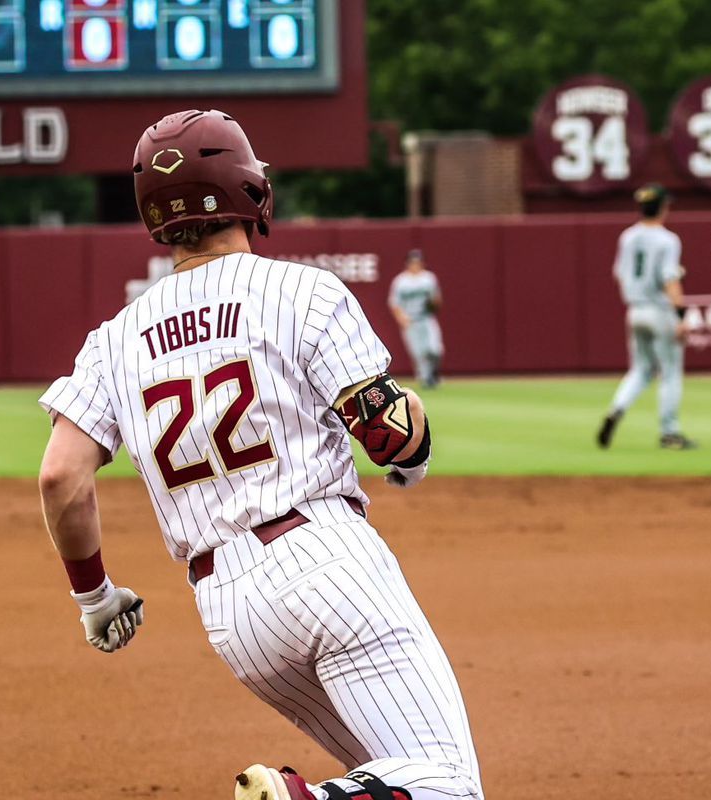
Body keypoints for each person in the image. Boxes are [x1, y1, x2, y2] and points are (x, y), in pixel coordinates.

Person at [37, 110, 482, 800]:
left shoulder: (114, 340)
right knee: (450, 785)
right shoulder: (301, 292)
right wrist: (415, 446)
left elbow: (61, 476)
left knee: (400, 780)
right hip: (326, 564)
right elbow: (388, 435)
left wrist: (95, 597)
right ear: (249, 188)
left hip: (231, 611)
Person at [597, 183, 697, 450]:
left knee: (640, 369)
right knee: (670, 372)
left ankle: (616, 409)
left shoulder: (628, 237)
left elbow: (619, 274)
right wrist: (681, 316)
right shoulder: (668, 240)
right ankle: (670, 432)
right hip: (660, 310)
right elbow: (669, 279)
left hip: (635, 309)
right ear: (663, 208)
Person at [388, 249, 444, 388]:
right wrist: (401, 318)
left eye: (417, 262)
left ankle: (433, 372)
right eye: (413, 262)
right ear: (407, 264)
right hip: (410, 320)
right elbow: (394, 303)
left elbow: (436, 300)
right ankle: (427, 379)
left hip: (426, 317)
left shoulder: (428, 278)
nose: (415, 265)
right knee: (419, 353)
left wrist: (434, 303)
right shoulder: (401, 281)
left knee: (435, 350)